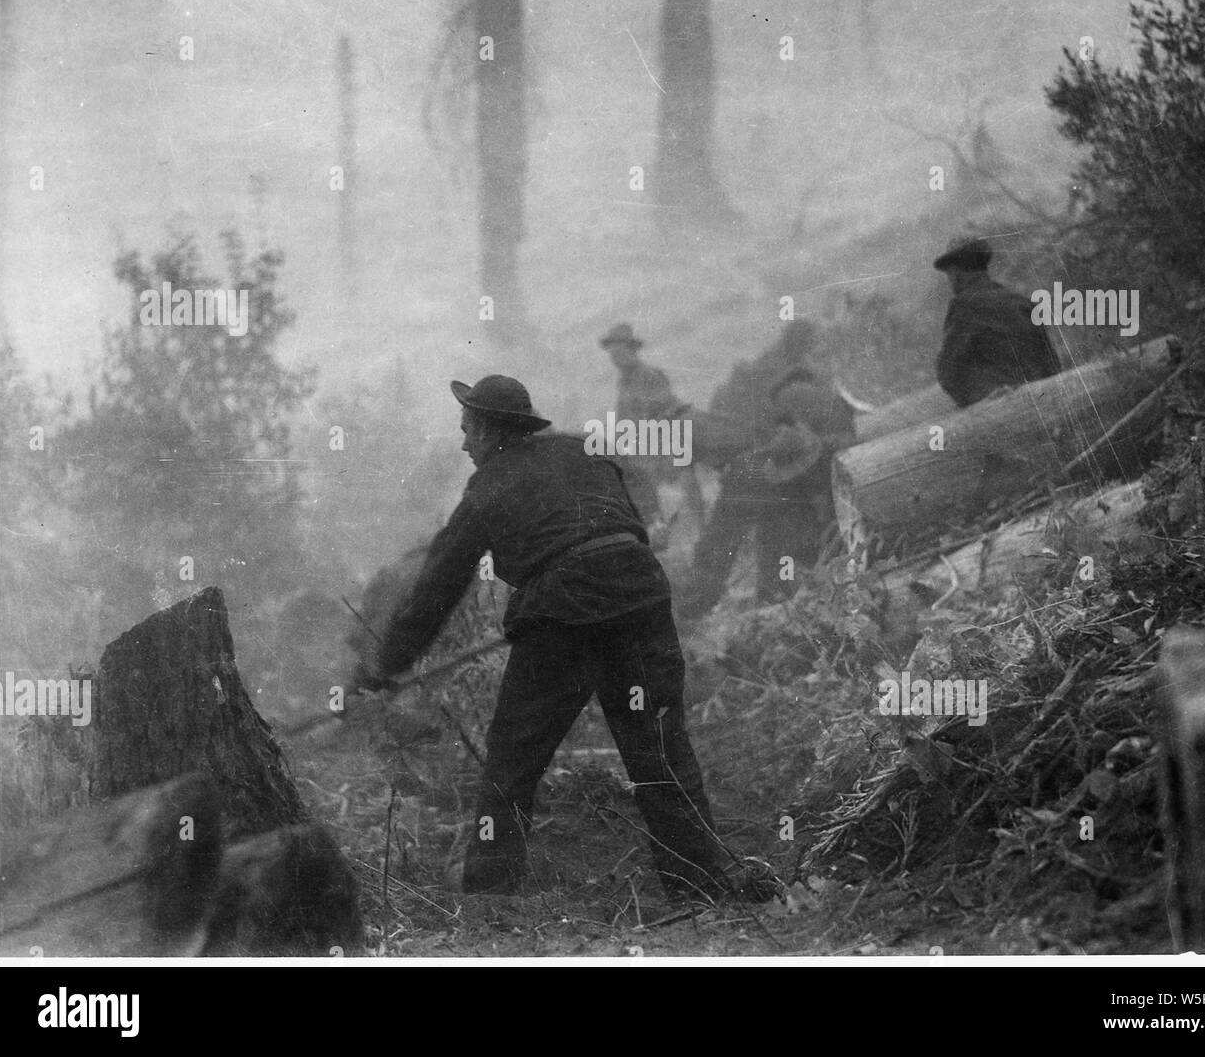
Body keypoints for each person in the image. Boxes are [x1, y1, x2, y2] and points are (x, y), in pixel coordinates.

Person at [361, 374, 731, 901]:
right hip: (641, 597)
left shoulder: (485, 488)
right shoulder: (585, 451)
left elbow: (436, 588)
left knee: (513, 757)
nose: (464, 444)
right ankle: (702, 886)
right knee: (660, 749)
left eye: (466, 430)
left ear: (489, 430)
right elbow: (627, 524)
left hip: (563, 618)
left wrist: (384, 665)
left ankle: (489, 895)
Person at [681, 366, 855, 620]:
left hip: (771, 470)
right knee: (779, 537)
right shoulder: (815, 398)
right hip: (802, 470)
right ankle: (772, 596)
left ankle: (699, 602)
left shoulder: (787, 399)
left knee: (756, 533)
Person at [933, 237, 1062, 407]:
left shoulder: (964, 306)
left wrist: (974, 403)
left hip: (1003, 409)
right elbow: (1051, 364)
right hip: (1046, 401)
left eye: (949, 273)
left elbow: (947, 372)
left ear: (956, 273)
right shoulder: (1022, 302)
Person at [600, 323, 703, 530]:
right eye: (612, 354)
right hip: (639, 457)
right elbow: (624, 423)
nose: (615, 358)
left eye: (619, 352)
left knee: (676, 512)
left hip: (662, 456)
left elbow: (668, 413)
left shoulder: (649, 376)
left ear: (632, 350)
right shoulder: (624, 383)